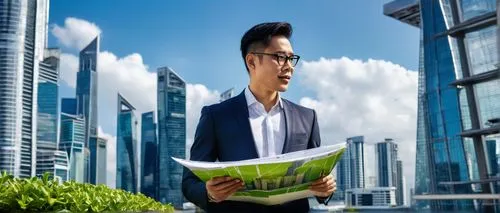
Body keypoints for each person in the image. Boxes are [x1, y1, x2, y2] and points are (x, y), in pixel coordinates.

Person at [182, 22, 336, 213]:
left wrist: (325, 189)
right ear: (252, 61)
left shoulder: (307, 117)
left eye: (291, 58)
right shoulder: (216, 116)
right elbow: (189, 183)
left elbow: (319, 178)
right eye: (280, 57)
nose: (289, 67)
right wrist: (209, 193)